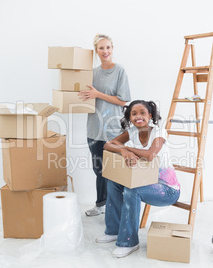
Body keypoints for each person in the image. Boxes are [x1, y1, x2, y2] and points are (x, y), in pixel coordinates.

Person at [96, 100, 181, 258]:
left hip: (167, 190)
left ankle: (129, 241)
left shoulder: (159, 132)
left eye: (142, 113)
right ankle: (113, 230)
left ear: (150, 115)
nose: (138, 117)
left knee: (132, 189)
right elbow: (108, 145)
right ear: (129, 117)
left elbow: (150, 155)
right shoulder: (132, 132)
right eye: (133, 114)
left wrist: (125, 148)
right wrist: (124, 152)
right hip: (146, 182)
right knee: (113, 182)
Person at [79, 34, 131, 216]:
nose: (105, 51)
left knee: (114, 171)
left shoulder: (119, 71)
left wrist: (98, 94)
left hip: (113, 130)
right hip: (94, 128)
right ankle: (101, 204)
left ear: (112, 48)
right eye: (101, 48)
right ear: (96, 51)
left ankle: (117, 207)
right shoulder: (92, 73)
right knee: (98, 169)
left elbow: (124, 100)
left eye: (108, 47)